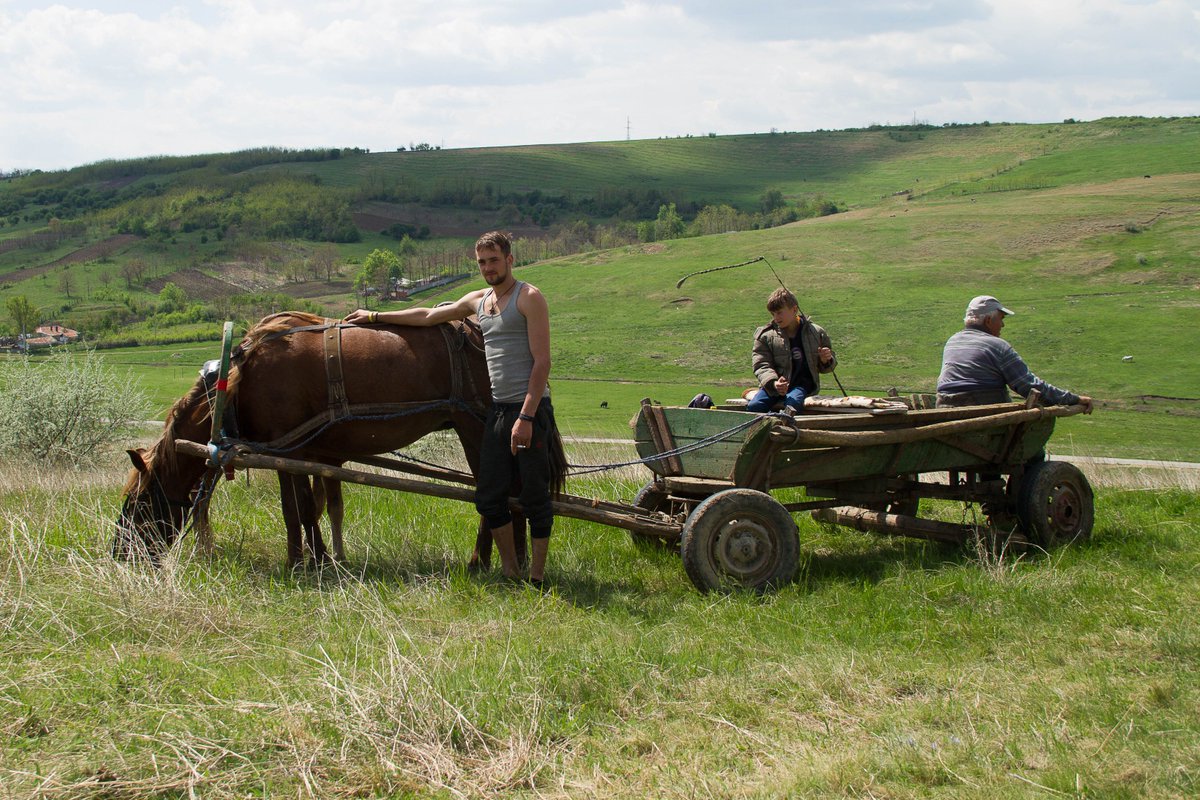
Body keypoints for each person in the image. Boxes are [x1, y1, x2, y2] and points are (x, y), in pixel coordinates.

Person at [344, 231, 558, 586]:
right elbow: (429, 315)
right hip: (498, 412)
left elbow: (543, 362)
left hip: (529, 411)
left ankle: (537, 577)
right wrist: (374, 316)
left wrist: (527, 416)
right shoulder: (479, 300)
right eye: (482, 262)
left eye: (494, 260)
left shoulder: (529, 297)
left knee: (534, 496)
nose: (488, 268)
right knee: (490, 497)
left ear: (510, 259)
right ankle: (510, 571)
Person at [936, 295, 1094, 412]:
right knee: (1033, 451)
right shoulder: (996, 346)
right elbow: (1028, 385)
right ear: (988, 321)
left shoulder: (953, 341)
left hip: (944, 408)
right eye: (1001, 318)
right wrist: (1074, 399)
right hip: (981, 411)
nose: (1003, 324)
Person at [747, 288, 837, 413]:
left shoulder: (815, 332)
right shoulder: (765, 336)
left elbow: (827, 367)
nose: (776, 318)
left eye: (779, 313)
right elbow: (761, 364)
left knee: (792, 404)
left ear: (794, 309)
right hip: (773, 387)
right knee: (754, 407)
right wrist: (774, 383)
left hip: (801, 386)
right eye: (773, 314)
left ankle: (786, 430)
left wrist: (825, 360)